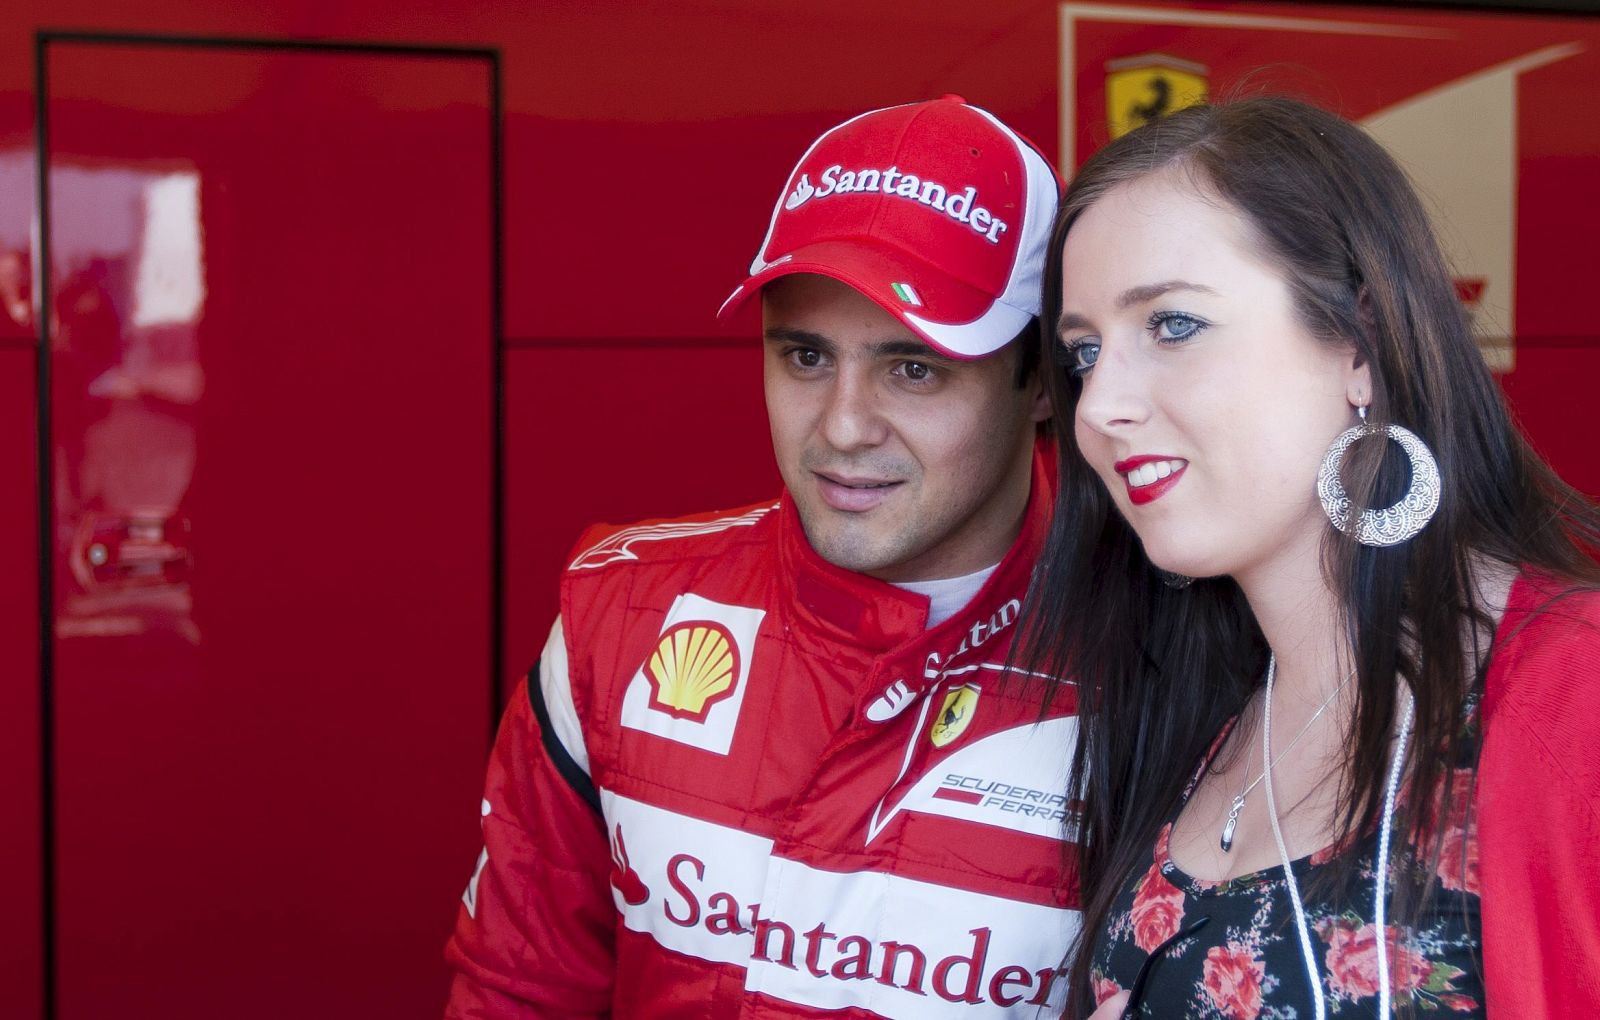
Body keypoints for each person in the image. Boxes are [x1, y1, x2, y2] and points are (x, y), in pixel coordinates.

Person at [444, 96, 1085, 1019]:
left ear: (1041, 387)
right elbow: (517, 989)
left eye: (916, 368)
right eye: (807, 357)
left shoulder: (1163, 661)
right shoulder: (621, 613)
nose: (843, 428)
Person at [1018, 95, 1600, 1020]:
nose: (1098, 407)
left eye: (1171, 325)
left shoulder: (1574, 688)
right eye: (1084, 353)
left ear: (1359, 347)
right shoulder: (1187, 700)